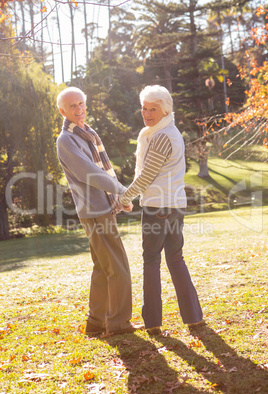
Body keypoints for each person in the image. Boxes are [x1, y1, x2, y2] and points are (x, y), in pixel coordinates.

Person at [56, 86, 142, 337]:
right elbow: (89, 173)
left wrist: (117, 196)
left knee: (103, 267)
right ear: (62, 111)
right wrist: (122, 191)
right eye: (72, 106)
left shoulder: (86, 134)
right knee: (119, 267)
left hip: (100, 208)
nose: (79, 109)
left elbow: (100, 168)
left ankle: (95, 322)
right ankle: (118, 323)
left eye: (81, 103)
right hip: (95, 212)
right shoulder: (66, 140)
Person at [120, 85, 204, 335]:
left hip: (158, 206)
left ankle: (153, 322)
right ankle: (193, 317)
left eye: (153, 108)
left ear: (165, 110)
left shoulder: (161, 136)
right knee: (176, 259)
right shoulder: (171, 132)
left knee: (152, 260)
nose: (146, 113)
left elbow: (146, 176)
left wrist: (124, 198)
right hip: (175, 206)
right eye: (144, 108)